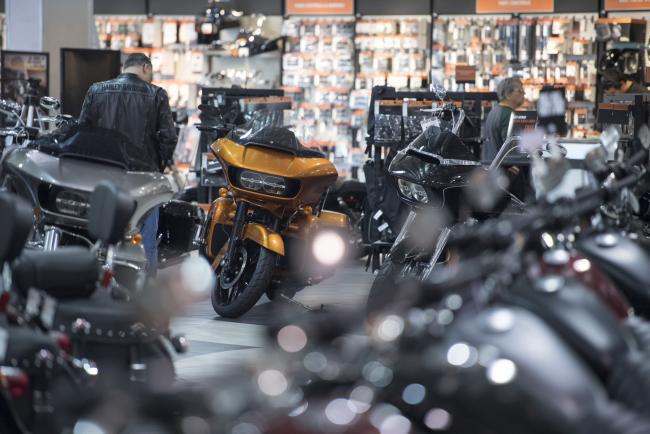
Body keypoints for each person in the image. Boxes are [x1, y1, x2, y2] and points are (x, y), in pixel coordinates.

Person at [79, 53, 178, 276]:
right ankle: (144, 292)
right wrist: (157, 167)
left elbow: (82, 133)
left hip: (104, 175)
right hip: (144, 177)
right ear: (145, 67)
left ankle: (97, 283)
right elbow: (169, 138)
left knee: (102, 231)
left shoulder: (96, 90)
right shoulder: (156, 94)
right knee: (145, 238)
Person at [482, 77, 525, 162]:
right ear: (508, 94)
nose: (524, 93)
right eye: (520, 91)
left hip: (492, 167)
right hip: (504, 170)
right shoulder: (508, 114)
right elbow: (511, 148)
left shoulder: (494, 111)